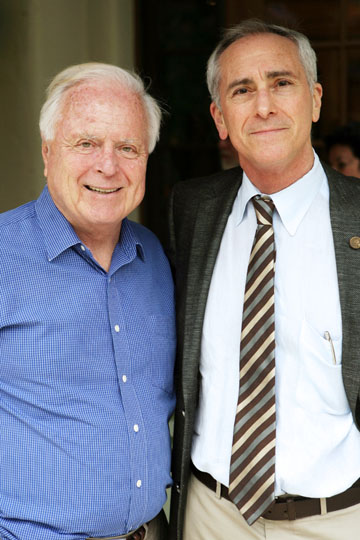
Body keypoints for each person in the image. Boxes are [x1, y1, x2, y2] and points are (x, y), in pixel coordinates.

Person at [168, 19, 360, 540]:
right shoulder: (192, 210)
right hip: (212, 515)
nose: (264, 105)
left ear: (315, 100)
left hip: (339, 520)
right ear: (220, 118)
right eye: (242, 89)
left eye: (281, 83)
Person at [0, 62, 175, 540]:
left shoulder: (155, 258)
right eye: (86, 143)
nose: (108, 165)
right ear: (47, 151)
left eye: (128, 148)